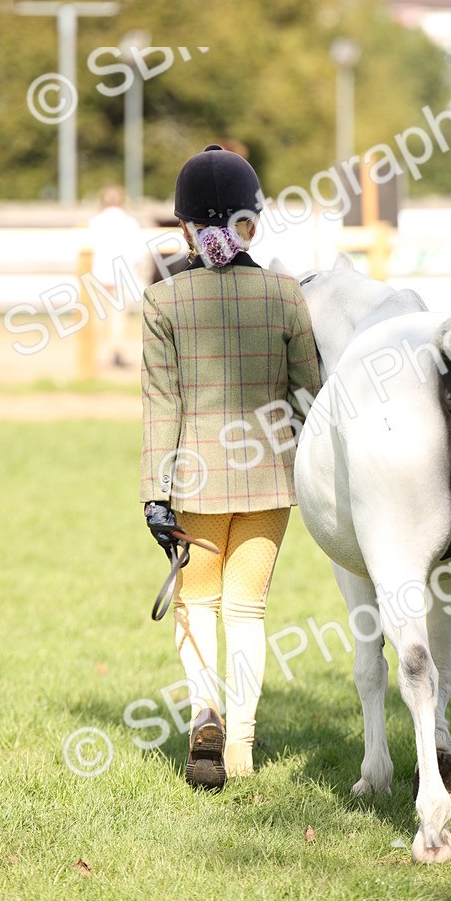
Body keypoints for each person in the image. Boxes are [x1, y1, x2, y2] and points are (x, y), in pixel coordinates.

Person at [140, 144, 322, 790]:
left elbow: (163, 405)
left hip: (194, 481)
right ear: (253, 222)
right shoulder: (284, 294)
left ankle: (204, 716)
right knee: (248, 612)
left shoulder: (165, 301)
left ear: (185, 228)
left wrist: (152, 495)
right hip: (270, 478)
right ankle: (240, 748)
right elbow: (311, 393)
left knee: (197, 605)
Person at [87, 185, 149, 368]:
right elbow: (138, 252)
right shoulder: (130, 223)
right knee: (118, 316)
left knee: (99, 314)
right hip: (122, 274)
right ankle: (116, 353)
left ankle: (96, 354)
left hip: (99, 273)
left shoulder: (95, 222)